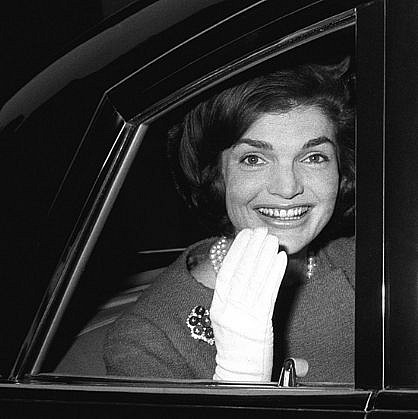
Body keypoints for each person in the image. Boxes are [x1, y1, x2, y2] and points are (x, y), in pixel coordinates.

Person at [104, 60, 355, 383]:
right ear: (217, 175)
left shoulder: (377, 268)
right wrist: (241, 383)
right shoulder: (150, 340)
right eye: (253, 159)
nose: (288, 187)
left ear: (339, 171)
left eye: (314, 157)